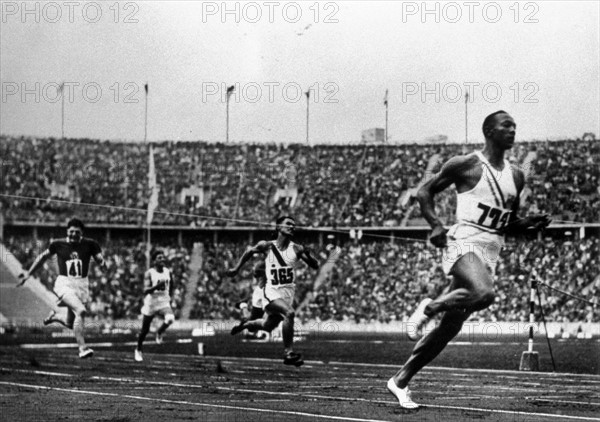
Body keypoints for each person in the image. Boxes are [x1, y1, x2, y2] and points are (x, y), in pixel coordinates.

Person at [387, 111, 551, 409]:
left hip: (490, 252)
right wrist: (435, 224)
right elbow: (425, 191)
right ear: (489, 130)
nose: (513, 130)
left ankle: (400, 381)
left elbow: (504, 224)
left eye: (514, 126)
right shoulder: (466, 164)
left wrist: (527, 223)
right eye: (506, 125)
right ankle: (430, 306)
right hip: (461, 242)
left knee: (449, 328)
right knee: (484, 293)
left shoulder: (517, 176)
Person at [226, 216, 319, 366]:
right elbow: (249, 251)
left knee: (267, 326)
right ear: (278, 227)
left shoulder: (296, 248)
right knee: (290, 313)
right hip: (271, 292)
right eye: (288, 224)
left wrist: (308, 254)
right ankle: (288, 353)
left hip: (287, 294)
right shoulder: (267, 246)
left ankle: (244, 325)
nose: (292, 227)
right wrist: (236, 269)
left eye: (294, 225)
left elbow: (314, 266)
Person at [17, 218, 106, 359]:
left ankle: (55, 316)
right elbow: (42, 257)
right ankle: (82, 348)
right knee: (81, 311)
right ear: (67, 231)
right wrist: (28, 274)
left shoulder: (90, 244)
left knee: (71, 323)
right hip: (65, 283)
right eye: (71, 232)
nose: (73, 235)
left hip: (81, 284)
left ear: (82, 232)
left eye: (77, 232)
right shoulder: (58, 244)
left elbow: (99, 257)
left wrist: (102, 262)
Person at [134, 250, 175, 362]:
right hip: (151, 303)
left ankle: (160, 332)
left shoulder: (168, 272)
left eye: (163, 257)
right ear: (154, 261)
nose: (162, 260)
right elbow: (145, 290)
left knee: (170, 319)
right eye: (159, 258)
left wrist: (170, 297)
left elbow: (172, 285)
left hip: (163, 302)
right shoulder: (150, 273)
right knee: (144, 330)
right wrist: (156, 286)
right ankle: (138, 349)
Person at [234, 261, 267, 339]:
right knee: (253, 321)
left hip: (265, 292)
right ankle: (243, 305)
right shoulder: (264, 269)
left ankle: (243, 305)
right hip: (261, 292)